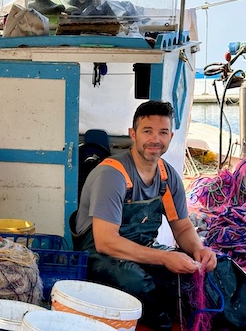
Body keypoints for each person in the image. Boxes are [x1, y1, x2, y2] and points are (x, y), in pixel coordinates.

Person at [72, 101, 217, 330]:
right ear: (133, 134)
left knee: (202, 273)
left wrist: (198, 250)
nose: (155, 140)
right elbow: (105, 242)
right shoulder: (112, 174)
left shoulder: (167, 176)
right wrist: (165, 258)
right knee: (135, 280)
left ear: (171, 136)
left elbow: (182, 228)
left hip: (142, 249)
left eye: (162, 132)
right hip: (99, 258)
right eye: (147, 131)